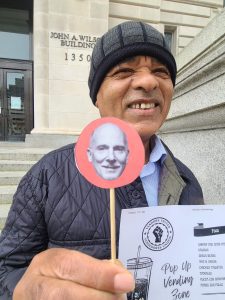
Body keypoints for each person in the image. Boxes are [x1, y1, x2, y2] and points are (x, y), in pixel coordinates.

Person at [0, 21, 204, 300]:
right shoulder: (46, 176)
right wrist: (25, 289)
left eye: (161, 71)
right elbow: (6, 270)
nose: (148, 81)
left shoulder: (187, 181)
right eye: (124, 71)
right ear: (97, 96)